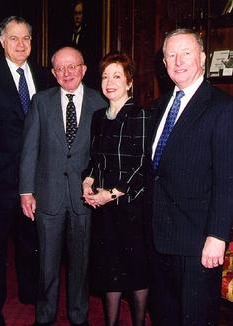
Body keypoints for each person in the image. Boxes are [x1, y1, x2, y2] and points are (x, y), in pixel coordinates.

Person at [145, 28, 233, 326]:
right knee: (165, 317)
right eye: (171, 55)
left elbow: (227, 179)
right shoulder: (160, 106)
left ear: (202, 59)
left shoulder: (222, 108)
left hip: (197, 241)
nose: (178, 61)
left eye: (186, 53)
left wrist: (218, 236)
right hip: (160, 237)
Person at [19, 46, 107, 326]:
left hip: (85, 198)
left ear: (83, 69)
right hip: (48, 196)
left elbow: (104, 155)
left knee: (81, 265)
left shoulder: (100, 102)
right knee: (47, 266)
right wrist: (26, 191)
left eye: (73, 67)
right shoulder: (40, 102)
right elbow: (29, 149)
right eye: (60, 68)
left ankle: (78, 317)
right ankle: (44, 318)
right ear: (54, 73)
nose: (67, 73)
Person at [0, 15, 53, 326]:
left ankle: (29, 293)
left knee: (30, 242)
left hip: (35, 179)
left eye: (26, 38)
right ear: (1, 42)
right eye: (14, 38)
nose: (21, 44)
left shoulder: (41, 74)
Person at [82, 51, 150, 326]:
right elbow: (96, 160)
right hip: (104, 209)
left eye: (117, 76)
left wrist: (110, 194)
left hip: (130, 207)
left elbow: (142, 165)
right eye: (106, 76)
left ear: (129, 82)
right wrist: (88, 181)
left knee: (135, 273)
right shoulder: (99, 116)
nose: (110, 82)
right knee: (109, 270)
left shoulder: (140, 115)